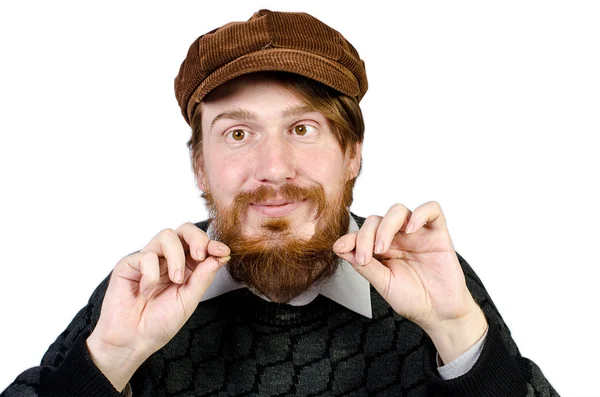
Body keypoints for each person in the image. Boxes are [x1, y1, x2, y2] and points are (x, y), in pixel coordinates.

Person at [1, 9, 558, 397]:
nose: (273, 169)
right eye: (238, 134)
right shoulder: (145, 293)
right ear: (200, 165)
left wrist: (458, 333)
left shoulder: (430, 281)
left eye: (303, 128)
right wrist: (108, 362)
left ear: (353, 155)